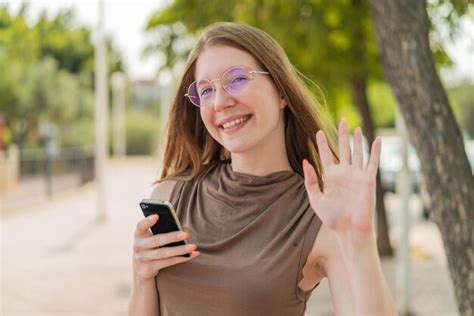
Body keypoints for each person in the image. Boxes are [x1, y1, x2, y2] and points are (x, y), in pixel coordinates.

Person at [129, 22, 397, 316]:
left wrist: (359, 240)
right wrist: (142, 276)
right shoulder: (172, 195)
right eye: (205, 91)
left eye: (237, 79)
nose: (220, 102)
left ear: (281, 91)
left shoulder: (319, 215)